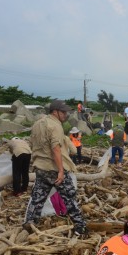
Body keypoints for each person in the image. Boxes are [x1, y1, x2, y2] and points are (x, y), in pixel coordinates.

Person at [23, 100, 87, 237]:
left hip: (40, 167)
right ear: (55, 112)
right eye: (63, 112)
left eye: (66, 112)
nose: (66, 114)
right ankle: (80, 227)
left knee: (37, 198)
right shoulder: (55, 126)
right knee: (69, 197)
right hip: (54, 168)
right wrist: (61, 171)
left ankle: (30, 223)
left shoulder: (37, 124)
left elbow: (32, 144)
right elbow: (56, 149)